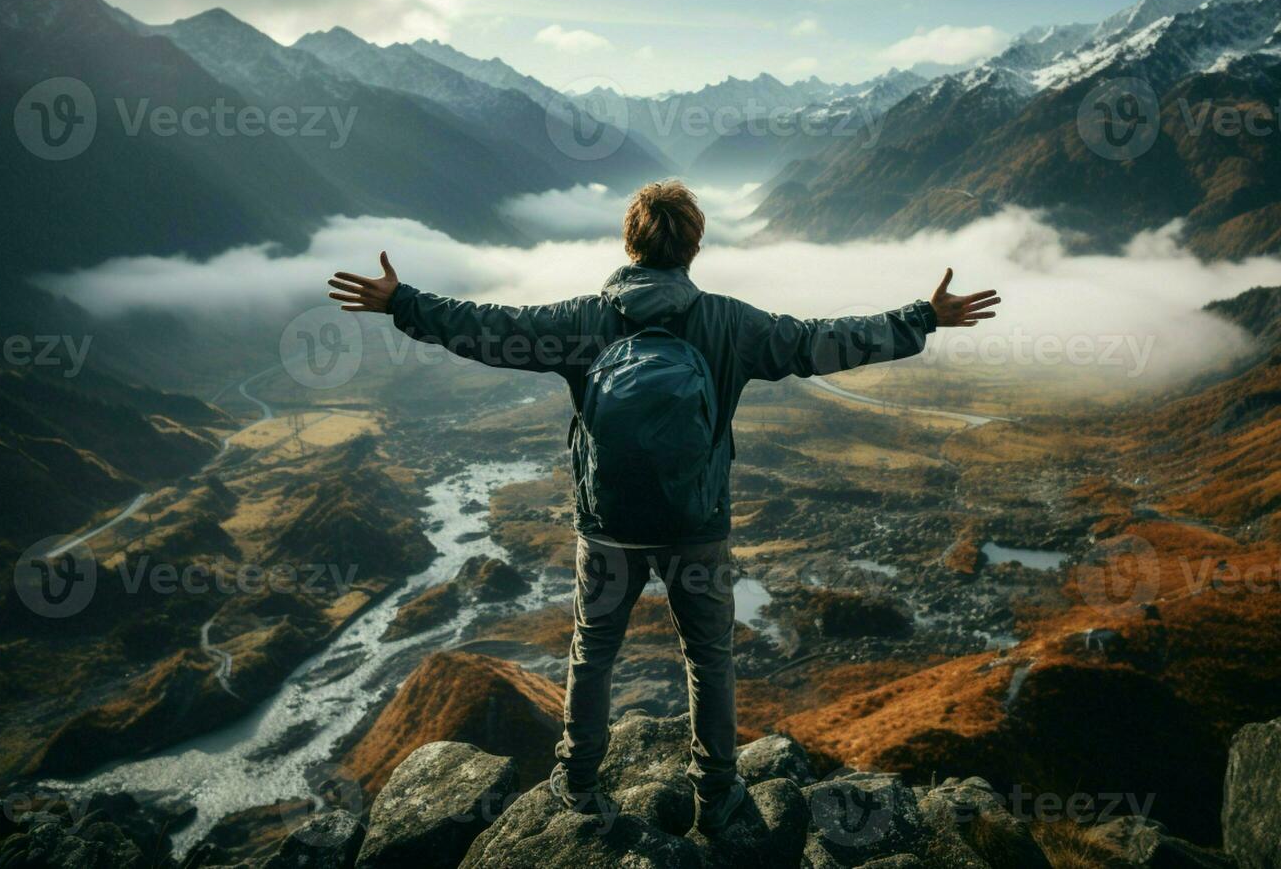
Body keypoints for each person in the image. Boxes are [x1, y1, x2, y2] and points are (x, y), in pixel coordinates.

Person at [328, 179, 1000, 832]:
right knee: (708, 659)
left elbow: (489, 328)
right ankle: (717, 795)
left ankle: (578, 785)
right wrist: (922, 319)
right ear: (694, 248)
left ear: (629, 245)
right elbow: (819, 342)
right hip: (695, 526)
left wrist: (403, 303)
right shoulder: (728, 323)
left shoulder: (584, 320)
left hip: (609, 528)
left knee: (593, 653)